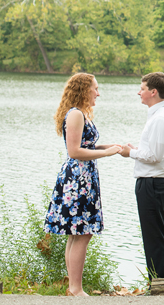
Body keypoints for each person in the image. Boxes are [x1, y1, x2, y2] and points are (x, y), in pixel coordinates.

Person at [44, 73, 122, 297]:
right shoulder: (76, 114)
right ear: (83, 90)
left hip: (84, 176)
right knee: (82, 232)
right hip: (78, 178)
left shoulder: (81, 114)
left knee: (77, 233)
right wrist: (106, 153)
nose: (98, 93)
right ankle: (76, 289)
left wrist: (110, 146)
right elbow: (74, 151)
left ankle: (73, 288)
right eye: (95, 88)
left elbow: (87, 145)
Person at [120, 72, 164, 281]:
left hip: (154, 184)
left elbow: (155, 156)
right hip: (154, 183)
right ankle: (160, 284)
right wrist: (138, 149)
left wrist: (130, 153)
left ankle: (160, 285)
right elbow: (154, 151)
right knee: (154, 236)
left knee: (154, 237)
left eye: (142, 88)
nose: (139, 92)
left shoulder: (161, 118)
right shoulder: (158, 115)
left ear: (153, 92)